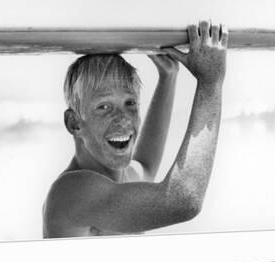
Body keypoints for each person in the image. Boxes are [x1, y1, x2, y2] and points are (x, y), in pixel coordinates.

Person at [42, 21, 228, 238]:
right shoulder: (72, 192)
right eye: (104, 107)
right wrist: (211, 82)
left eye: (130, 103)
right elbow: (183, 200)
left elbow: (146, 166)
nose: (122, 119)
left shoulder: (122, 178)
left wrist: (168, 77)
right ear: (74, 123)